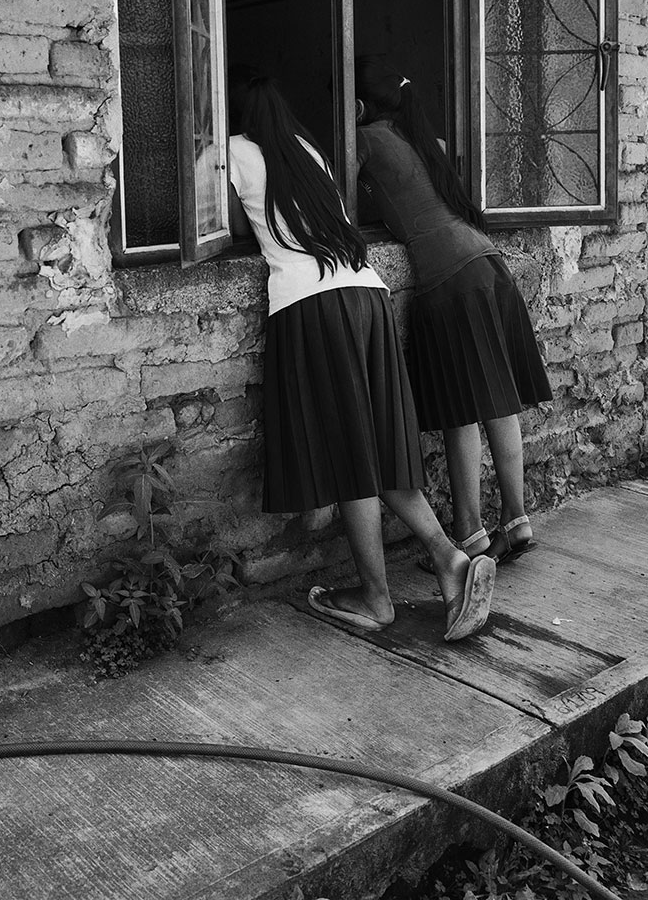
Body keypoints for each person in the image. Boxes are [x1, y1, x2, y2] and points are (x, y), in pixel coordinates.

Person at [227, 69, 495, 641]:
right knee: (372, 445)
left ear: (235, 112)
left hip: (310, 303)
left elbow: (225, 225)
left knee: (351, 452)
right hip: (367, 292)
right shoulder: (309, 149)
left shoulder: (231, 152)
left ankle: (377, 597)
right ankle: (451, 560)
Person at [354, 55, 552, 566]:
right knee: (495, 401)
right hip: (487, 264)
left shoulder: (366, 141)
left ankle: (469, 534)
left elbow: (339, 201)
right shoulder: (430, 142)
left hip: (448, 277)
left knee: (462, 408)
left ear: (356, 105)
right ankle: (516, 518)